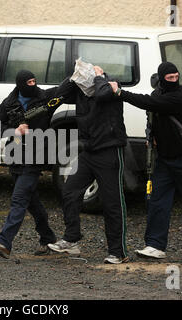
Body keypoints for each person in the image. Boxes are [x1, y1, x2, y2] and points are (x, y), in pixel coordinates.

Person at [108, 61, 182, 265]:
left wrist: (120, 93)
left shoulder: (178, 97)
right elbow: (153, 117)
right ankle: (155, 245)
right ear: (162, 78)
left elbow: (150, 104)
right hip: (164, 159)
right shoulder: (159, 93)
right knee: (157, 201)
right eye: (169, 78)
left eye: (176, 77)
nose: (174, 80)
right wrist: (152, 136)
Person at [48, 66, 130, 264]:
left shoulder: (110, 86)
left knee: (112, 203)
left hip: (110, 151)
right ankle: (72, 239)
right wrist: (73, 78)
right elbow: (59, 95)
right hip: (89, 151)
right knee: (69, 190)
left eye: (85, 79)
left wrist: (99, 77)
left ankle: (118, 252)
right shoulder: (81, 92)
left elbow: (102, 94)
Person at [0, 69, 62, 259]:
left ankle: (4, 242)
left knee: (19, 198)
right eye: (29, 82)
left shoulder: (45, 97)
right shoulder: (9, 102)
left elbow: (65, 89)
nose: (33, 85)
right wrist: (14, 130)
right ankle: (48, 238)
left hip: (37, 156)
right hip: (16, 156)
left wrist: (79, 75)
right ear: (20, 85)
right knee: (32, 201)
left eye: (34, 81)